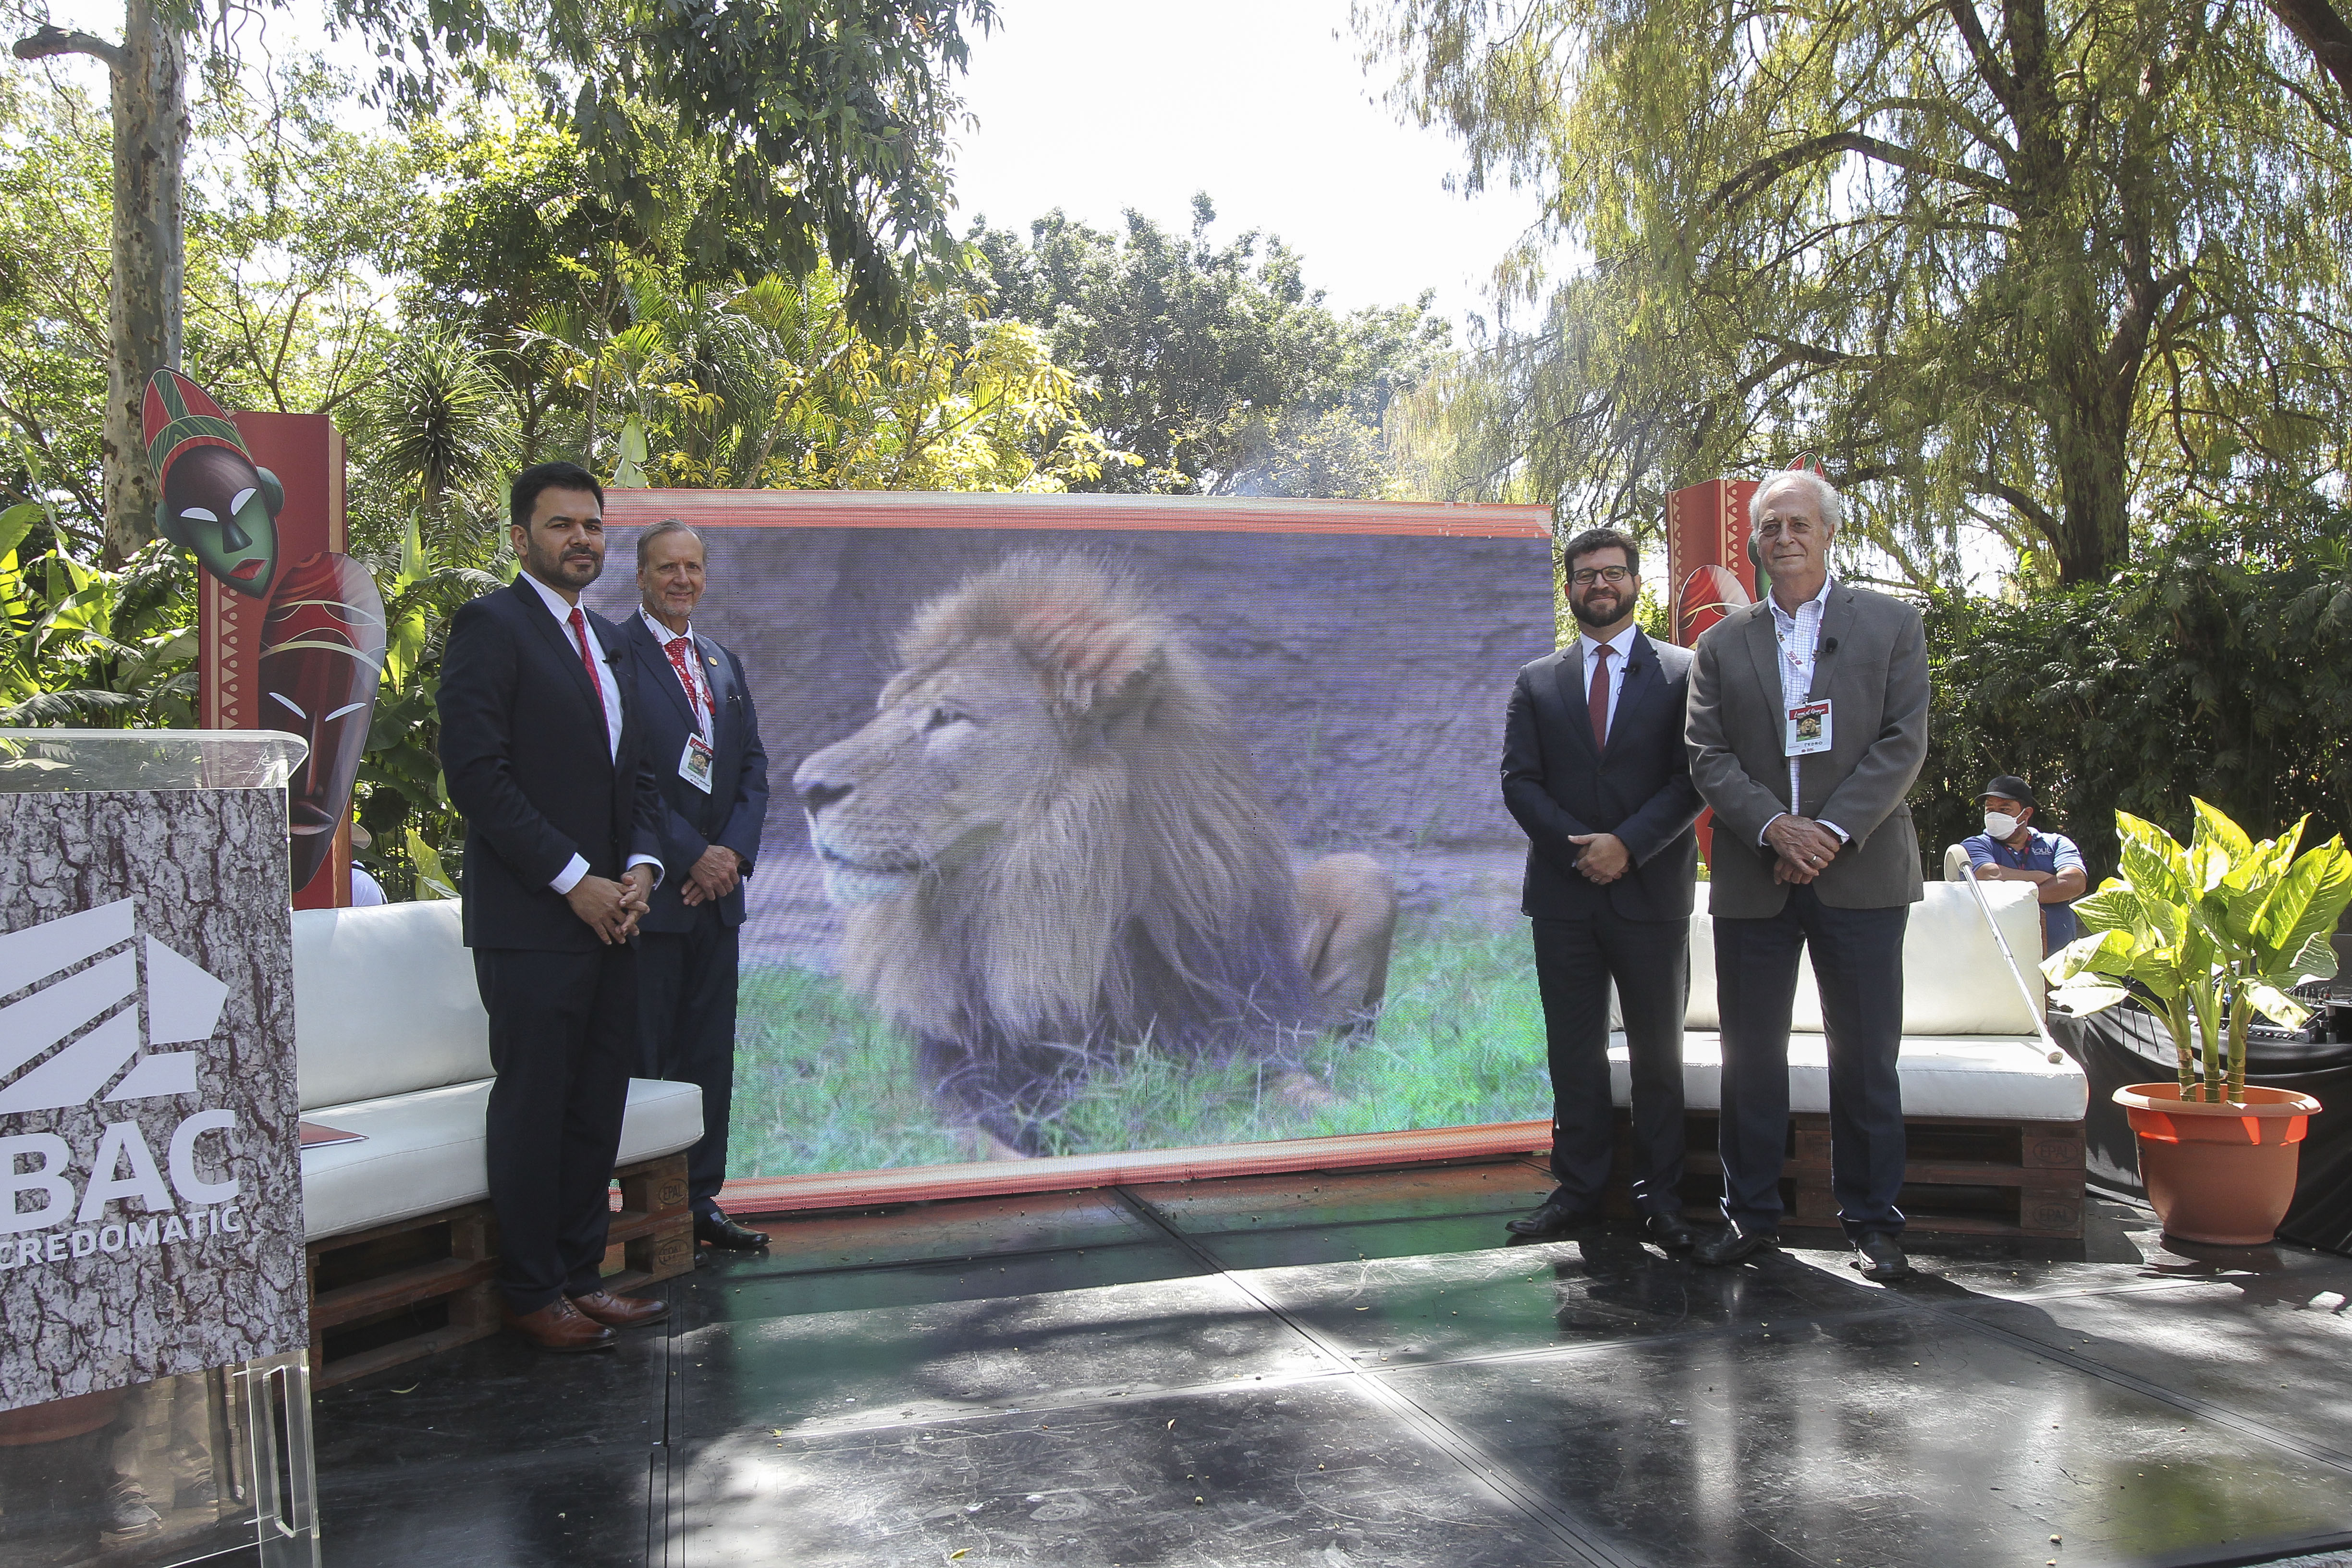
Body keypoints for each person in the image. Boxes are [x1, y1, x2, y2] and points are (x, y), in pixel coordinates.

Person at [438, 461, 671, 1353]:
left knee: (594, 1105)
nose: (581, 539)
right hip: (535, 922)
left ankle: (581, 1277)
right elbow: (477, 777)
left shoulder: (609, 639)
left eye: (593, 525)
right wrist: (575, 880)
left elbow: (637, 775)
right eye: (561, 524)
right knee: (536, 1108)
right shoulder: (491, 627)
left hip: (617, 918)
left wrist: (641, 868)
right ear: (520, 537)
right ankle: (531, 1290)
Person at [1685, 469, 1929, 1283]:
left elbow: (1902, 742)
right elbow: (1707, 753)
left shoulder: (1891, 624)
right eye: (1770, 526)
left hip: (1860, 873)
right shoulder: (1721, 644)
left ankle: (1874, 1223)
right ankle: (1750, 1218)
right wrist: (1774, 827)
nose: (1783, 537)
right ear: (1754, 543)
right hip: (1756, 876)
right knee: (1749, 1059)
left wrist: (1826, 832)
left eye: (1798, 523)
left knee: (1865, 1059)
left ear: (1828, 533)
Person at [1499, 527, 1705, 1248]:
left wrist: (1627, 846)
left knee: (1658, 1057)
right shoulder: (1538, 681)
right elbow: (1519, 782)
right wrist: (1581, 851)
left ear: (1636, 584)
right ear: (1570, 589)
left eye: (1613, 573)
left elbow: (1693, 778)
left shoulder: (1684, 673)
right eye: (1587, 575)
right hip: (1565, 897)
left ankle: (1660, 1200)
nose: (1600, 585)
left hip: (1651, 894)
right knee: (1574, 1051)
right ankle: (1580, 1190)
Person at [619, 519, 773, 1252]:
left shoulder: (721, 662)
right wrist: (690, 858)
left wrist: (731, 857)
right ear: (641, 576)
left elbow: (753, 769)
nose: (681, 580)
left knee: (709, 1057)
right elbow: (625, 777)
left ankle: (700, 1203)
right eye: (667, 567)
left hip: (717, 903)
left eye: (693, 568)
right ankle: (643, 1214)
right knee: (645, 1064)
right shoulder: (615, 655)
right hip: (655, 900)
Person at [1962, 775, 2086, 956]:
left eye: (2004, 809)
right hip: (2000, 958)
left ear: (2026, 814)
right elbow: (1988, 875)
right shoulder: (1975, 845)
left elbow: (2075, 881)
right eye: (1990, 809)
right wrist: (2044, 878)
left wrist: (2013, 897)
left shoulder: (2056, 843)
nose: (1995, 815)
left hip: (2059, 957)